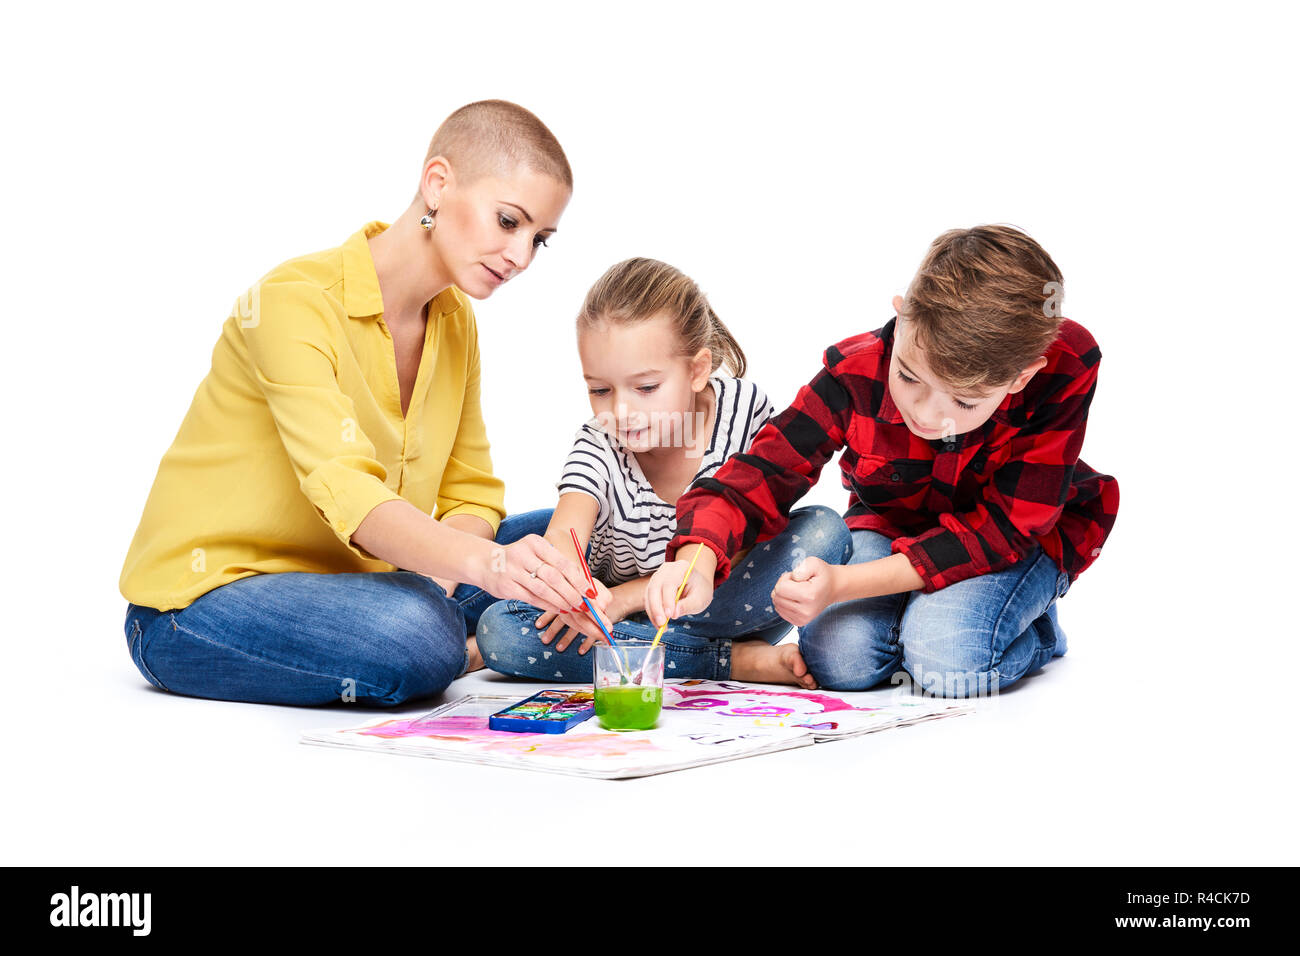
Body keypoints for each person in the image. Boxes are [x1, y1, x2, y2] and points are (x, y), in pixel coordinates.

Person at [119, 100, 602, 707]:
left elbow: (470, 491)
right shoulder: (293, 303)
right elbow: (349, 495)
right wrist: (490, 572)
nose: (522, 256)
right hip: (204, 604)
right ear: (437, 184)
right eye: (509, 221)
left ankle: (472, 629)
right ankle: (473, 642)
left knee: (578, 539)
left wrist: (457, 571)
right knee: (417, 634)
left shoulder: (454, 322)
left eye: (540, 239)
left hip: (366, 582)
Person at [645, 225, 1120, 697]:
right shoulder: (854, 372)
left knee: (948, 661)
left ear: (1021, 378)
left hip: (1005, 539)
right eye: (910, 377)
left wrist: (844, 584)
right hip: (895, 526)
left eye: (965, 403)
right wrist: (697, 559)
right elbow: (758, 474)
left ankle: (1032, 629)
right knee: (839, 662)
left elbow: (1005, 528)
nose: (926, 414)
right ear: (903, 314)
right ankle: (932, 616)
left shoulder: (1064, 365)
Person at [475, 258, 851, 687]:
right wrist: (572, 583)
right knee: (504, 625)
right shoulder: (599, 443)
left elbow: (748, 541)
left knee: (825, 532)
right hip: (617, 613)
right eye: (600, 390)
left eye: (646, 388)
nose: (620, 411)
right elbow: (565, 533)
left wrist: (622, 599)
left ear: (696, 370)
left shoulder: (744, 412)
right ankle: (724, 661)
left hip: (708, 603)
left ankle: (679, 651)